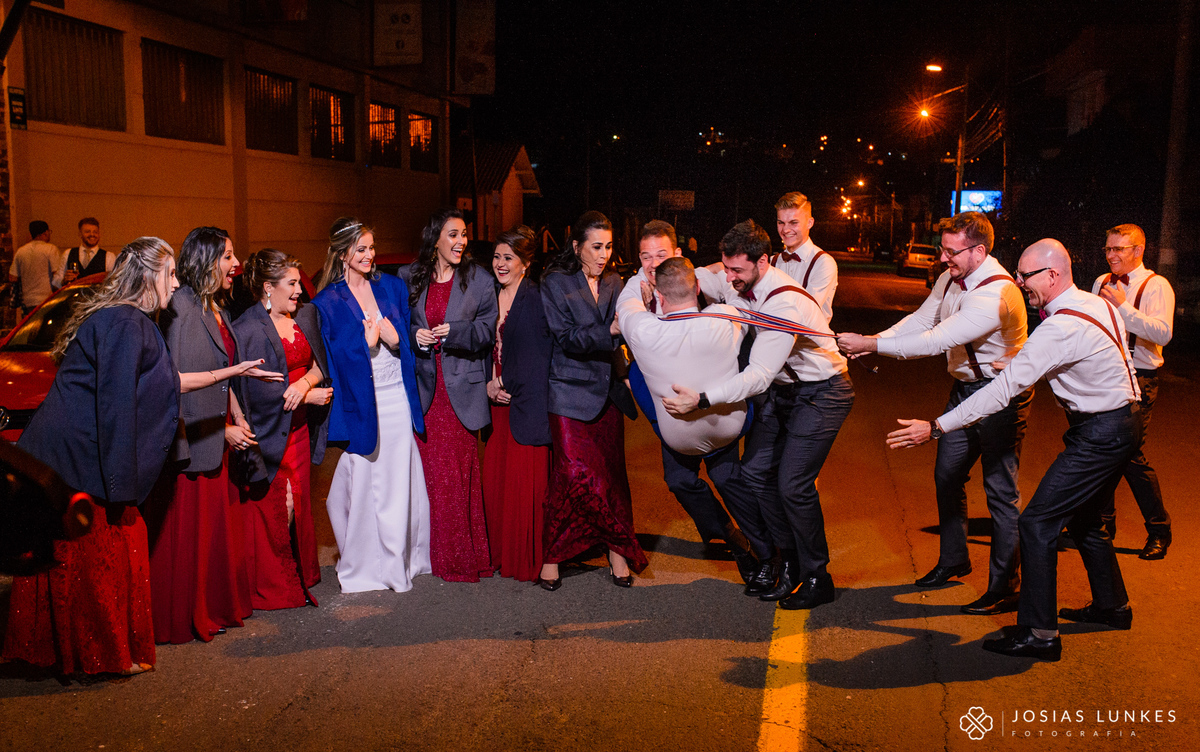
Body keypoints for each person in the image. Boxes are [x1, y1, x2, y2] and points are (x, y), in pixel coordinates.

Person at [888, 239, 1142, 661]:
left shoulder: (1060, 325)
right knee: (1087, 522)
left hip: (1100, 433)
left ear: (1054, 275)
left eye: (1027, 276)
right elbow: (1105, 354)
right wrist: (1030, 358)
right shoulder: (1095, 305)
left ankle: (1040, 634)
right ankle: (1112, 607)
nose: (1020, 283)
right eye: (1019, 275)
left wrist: (936, 427)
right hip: (1122, 421)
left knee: (1038, 525)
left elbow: (1002, 391)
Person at [2, 237, 181, 676]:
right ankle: (99, 655)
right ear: (148, 275)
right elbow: (115, 406)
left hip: (81, 458)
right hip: (83, 462)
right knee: (97, 558)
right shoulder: (125, 323)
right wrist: (120, 489)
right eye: (171, 273)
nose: (176, 283)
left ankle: (83, 652)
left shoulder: (126, 319)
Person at [837, 212, 1030, 616]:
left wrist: (871, 344)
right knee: (947, 475)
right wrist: (873, 341)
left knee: (999, 492)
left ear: (979, 251)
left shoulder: (994, 293)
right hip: (965, 388)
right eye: (942, 249)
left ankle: (1005, 587)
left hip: (1001, 394)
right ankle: (954, 559)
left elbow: (935, 340)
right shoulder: (951, 278)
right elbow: (923, 319)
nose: (942, 258)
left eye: (950, 251)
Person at [665, 220, 853, 610]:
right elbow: (695, 277)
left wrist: (702, 398)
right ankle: (789, 559)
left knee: (792, 485)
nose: (728, 277)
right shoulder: (738, 280)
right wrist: (656, 271)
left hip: (822, 393)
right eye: (725, 267)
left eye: (736, 270)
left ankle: (818, 576)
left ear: (763, 262)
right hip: (783, 394)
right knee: (752, 473)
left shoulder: (783, 301)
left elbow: (759, 374)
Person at [148, 226, 283, 645]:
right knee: (190, 540)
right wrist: (221, 429)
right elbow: (176, 385)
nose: (235, 266)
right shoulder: (183, 309)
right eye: (227, 257)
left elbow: (224, 375)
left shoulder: (215, 308)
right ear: (205, 260)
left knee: (214, 539)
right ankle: (186, 615)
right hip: (195, 444)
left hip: (219, 439)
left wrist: (239, 415)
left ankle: (216, 606)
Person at [620, 228, 757, 580]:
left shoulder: (707, 300)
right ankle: (727, 531)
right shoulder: (643, 292)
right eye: (646, 257)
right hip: (664, 409)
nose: (653, 264)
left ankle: (760, 545)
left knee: (727, 477)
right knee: (679, 480)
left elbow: (734, 298)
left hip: (713, 402)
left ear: (679, 254)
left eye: (661, 255)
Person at [312, 217, 430, 593]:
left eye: (371, 248)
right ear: (342, 253)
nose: (368, 255)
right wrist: (365, 345)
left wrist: (397, 340)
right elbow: (331, 359)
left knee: (400, 484)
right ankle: (371, 564)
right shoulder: (327, 302)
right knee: (369, 486)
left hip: (396, 395)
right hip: (365, 402)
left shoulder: (391, 287)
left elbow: (408, 344)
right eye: (360, 249)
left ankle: (404, 560)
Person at [539, 210, 645, 589]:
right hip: (567, 392)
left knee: (611, 477)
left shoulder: (617, 281)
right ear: (576, 247)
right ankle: (552, 555)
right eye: (596, 247)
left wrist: (628, 375)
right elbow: (566, 337)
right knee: (571, 475)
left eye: (609, 246)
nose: (604, 255)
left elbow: (629, 335)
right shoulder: (555, 282)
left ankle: (617, 551)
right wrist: (611, 330)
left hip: (607, 396)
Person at [233, 249, 333, 609]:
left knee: (301, 500)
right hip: (271, 430)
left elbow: (322, 365)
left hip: (300, 430)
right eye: (291, 284)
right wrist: (307, 398)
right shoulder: (247, 328)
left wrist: (304, 385)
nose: (298, 292)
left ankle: (302, 570)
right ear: (267, 288)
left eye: (298, 283)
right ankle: (273, 581)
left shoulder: (306, 315)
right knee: (280, 504)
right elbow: (255, 396)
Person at [400, 209, 496, 582]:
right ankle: (431, 556)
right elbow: (399, 323)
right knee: (431, 478)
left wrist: (452, 332)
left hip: (461, 393)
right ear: (435, 238)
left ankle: (462, 558)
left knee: (457, 475)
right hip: (426, 391)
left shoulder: (479, 280)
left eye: (464, 235)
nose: (461, 242)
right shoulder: (411, 277)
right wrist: (415, 336)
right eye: (453, 235)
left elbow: (486, 330)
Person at [1092, 223, 1174, 560]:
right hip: (1103, 374)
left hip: (1140, 377)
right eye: (1108, 249)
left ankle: (1159, 530)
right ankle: (1103, 524)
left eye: (1118, 250)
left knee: (1130, 455)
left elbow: (1163, 333)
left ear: (1138, 251)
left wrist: (1125, 307)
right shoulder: (1101, 282)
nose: (1111, 256)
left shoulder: (1157, 285)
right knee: (1098, 450)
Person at [481, 226, 552, 582]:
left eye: (508, 258)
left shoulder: (536, 298)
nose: (500, 264)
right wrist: (487, 387)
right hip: (495, 401)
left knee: (525, 484)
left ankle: (525, 558)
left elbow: (539, 357)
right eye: (496, 257)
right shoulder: (487, 296)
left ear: (526, 263)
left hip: (524, 401)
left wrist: (502, 382)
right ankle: (498, 554)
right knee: (497, 479)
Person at [772, 192, 837, 320]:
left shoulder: (823, 263)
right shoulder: (771, 261)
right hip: (774, 338)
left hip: (809, 339)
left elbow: (806, 312)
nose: (785, 230)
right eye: (781, 223)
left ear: (810, 223)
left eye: (793, 223)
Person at [9, 220, 60, 314]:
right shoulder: (51, 249)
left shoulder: (21, 251)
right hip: (46, 299)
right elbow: (57, 275)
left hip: (27, 301)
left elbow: (13, 277)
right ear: (45, 233)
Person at [61, 217, 115, 283]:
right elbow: (56, 281)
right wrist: (64, 280)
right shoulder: (68, 253)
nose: (92, 235)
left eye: (95, 232)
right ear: (80, 234)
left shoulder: (109, 257)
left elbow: (114, 282)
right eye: (87, 232)